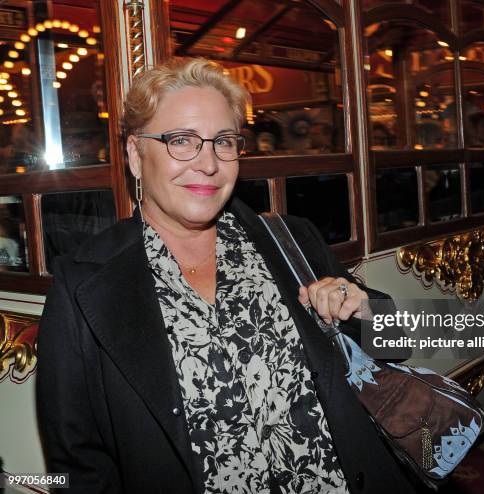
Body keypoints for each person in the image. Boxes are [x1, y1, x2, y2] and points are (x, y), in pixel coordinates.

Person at [36, 58, 416, 494]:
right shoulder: (84, 285)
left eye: (224, 142)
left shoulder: (292, 241)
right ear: (136, 155)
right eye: (181, 140)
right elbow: (76, 464)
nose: (209, 164)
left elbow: (401, 341)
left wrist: (361, 307)